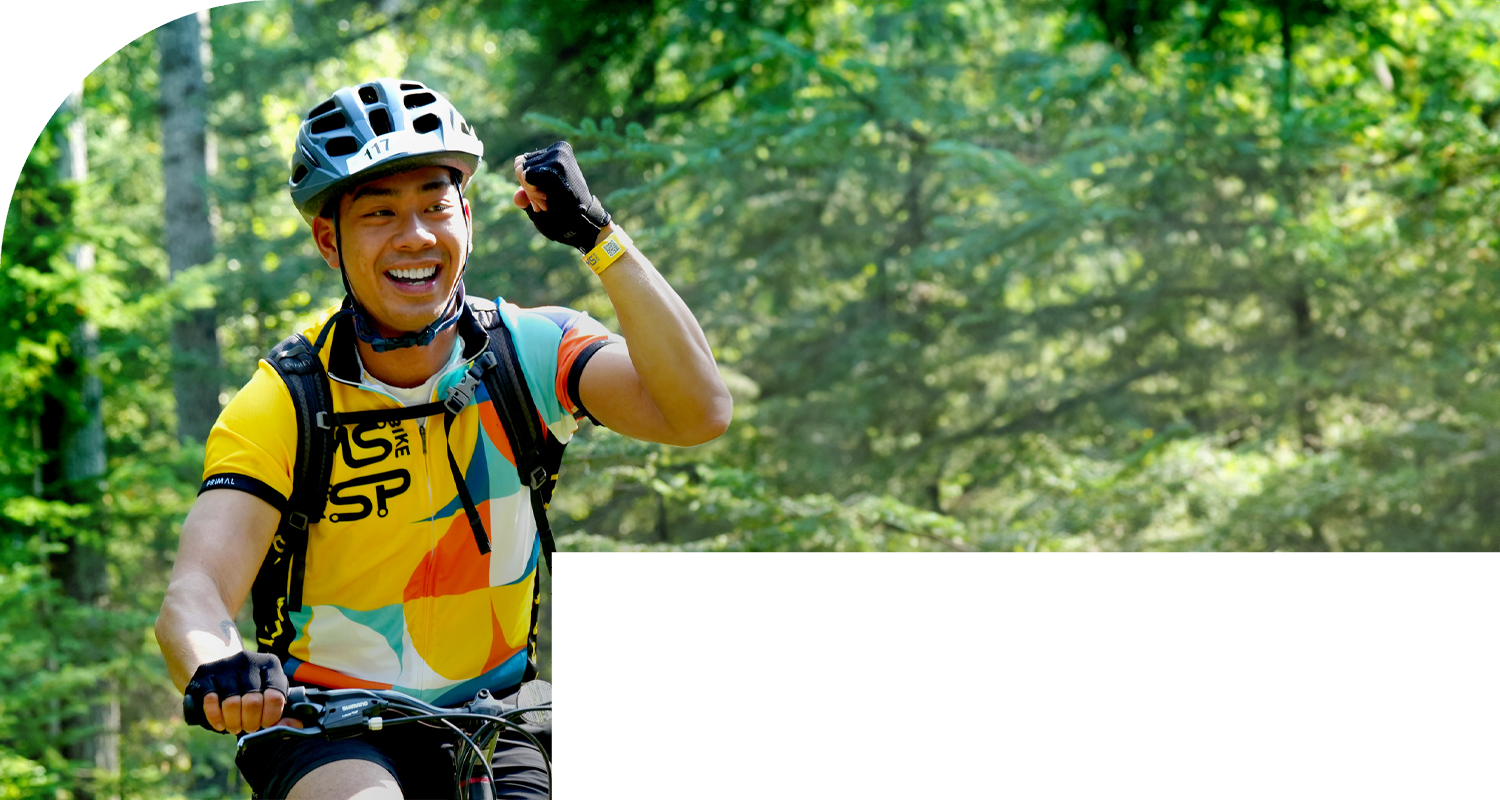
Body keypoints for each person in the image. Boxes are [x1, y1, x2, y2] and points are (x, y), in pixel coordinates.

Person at [154, 78, 731, 800]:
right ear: (329, 239)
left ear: (469, 217)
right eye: (380, 214)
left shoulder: (531, 351)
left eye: (435, 205)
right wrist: (219, 665)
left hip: (493, 718)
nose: (416, 235)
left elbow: (697, 410)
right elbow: (196, 592)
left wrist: (600, 239)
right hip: (326, 729)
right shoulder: (285, 401)